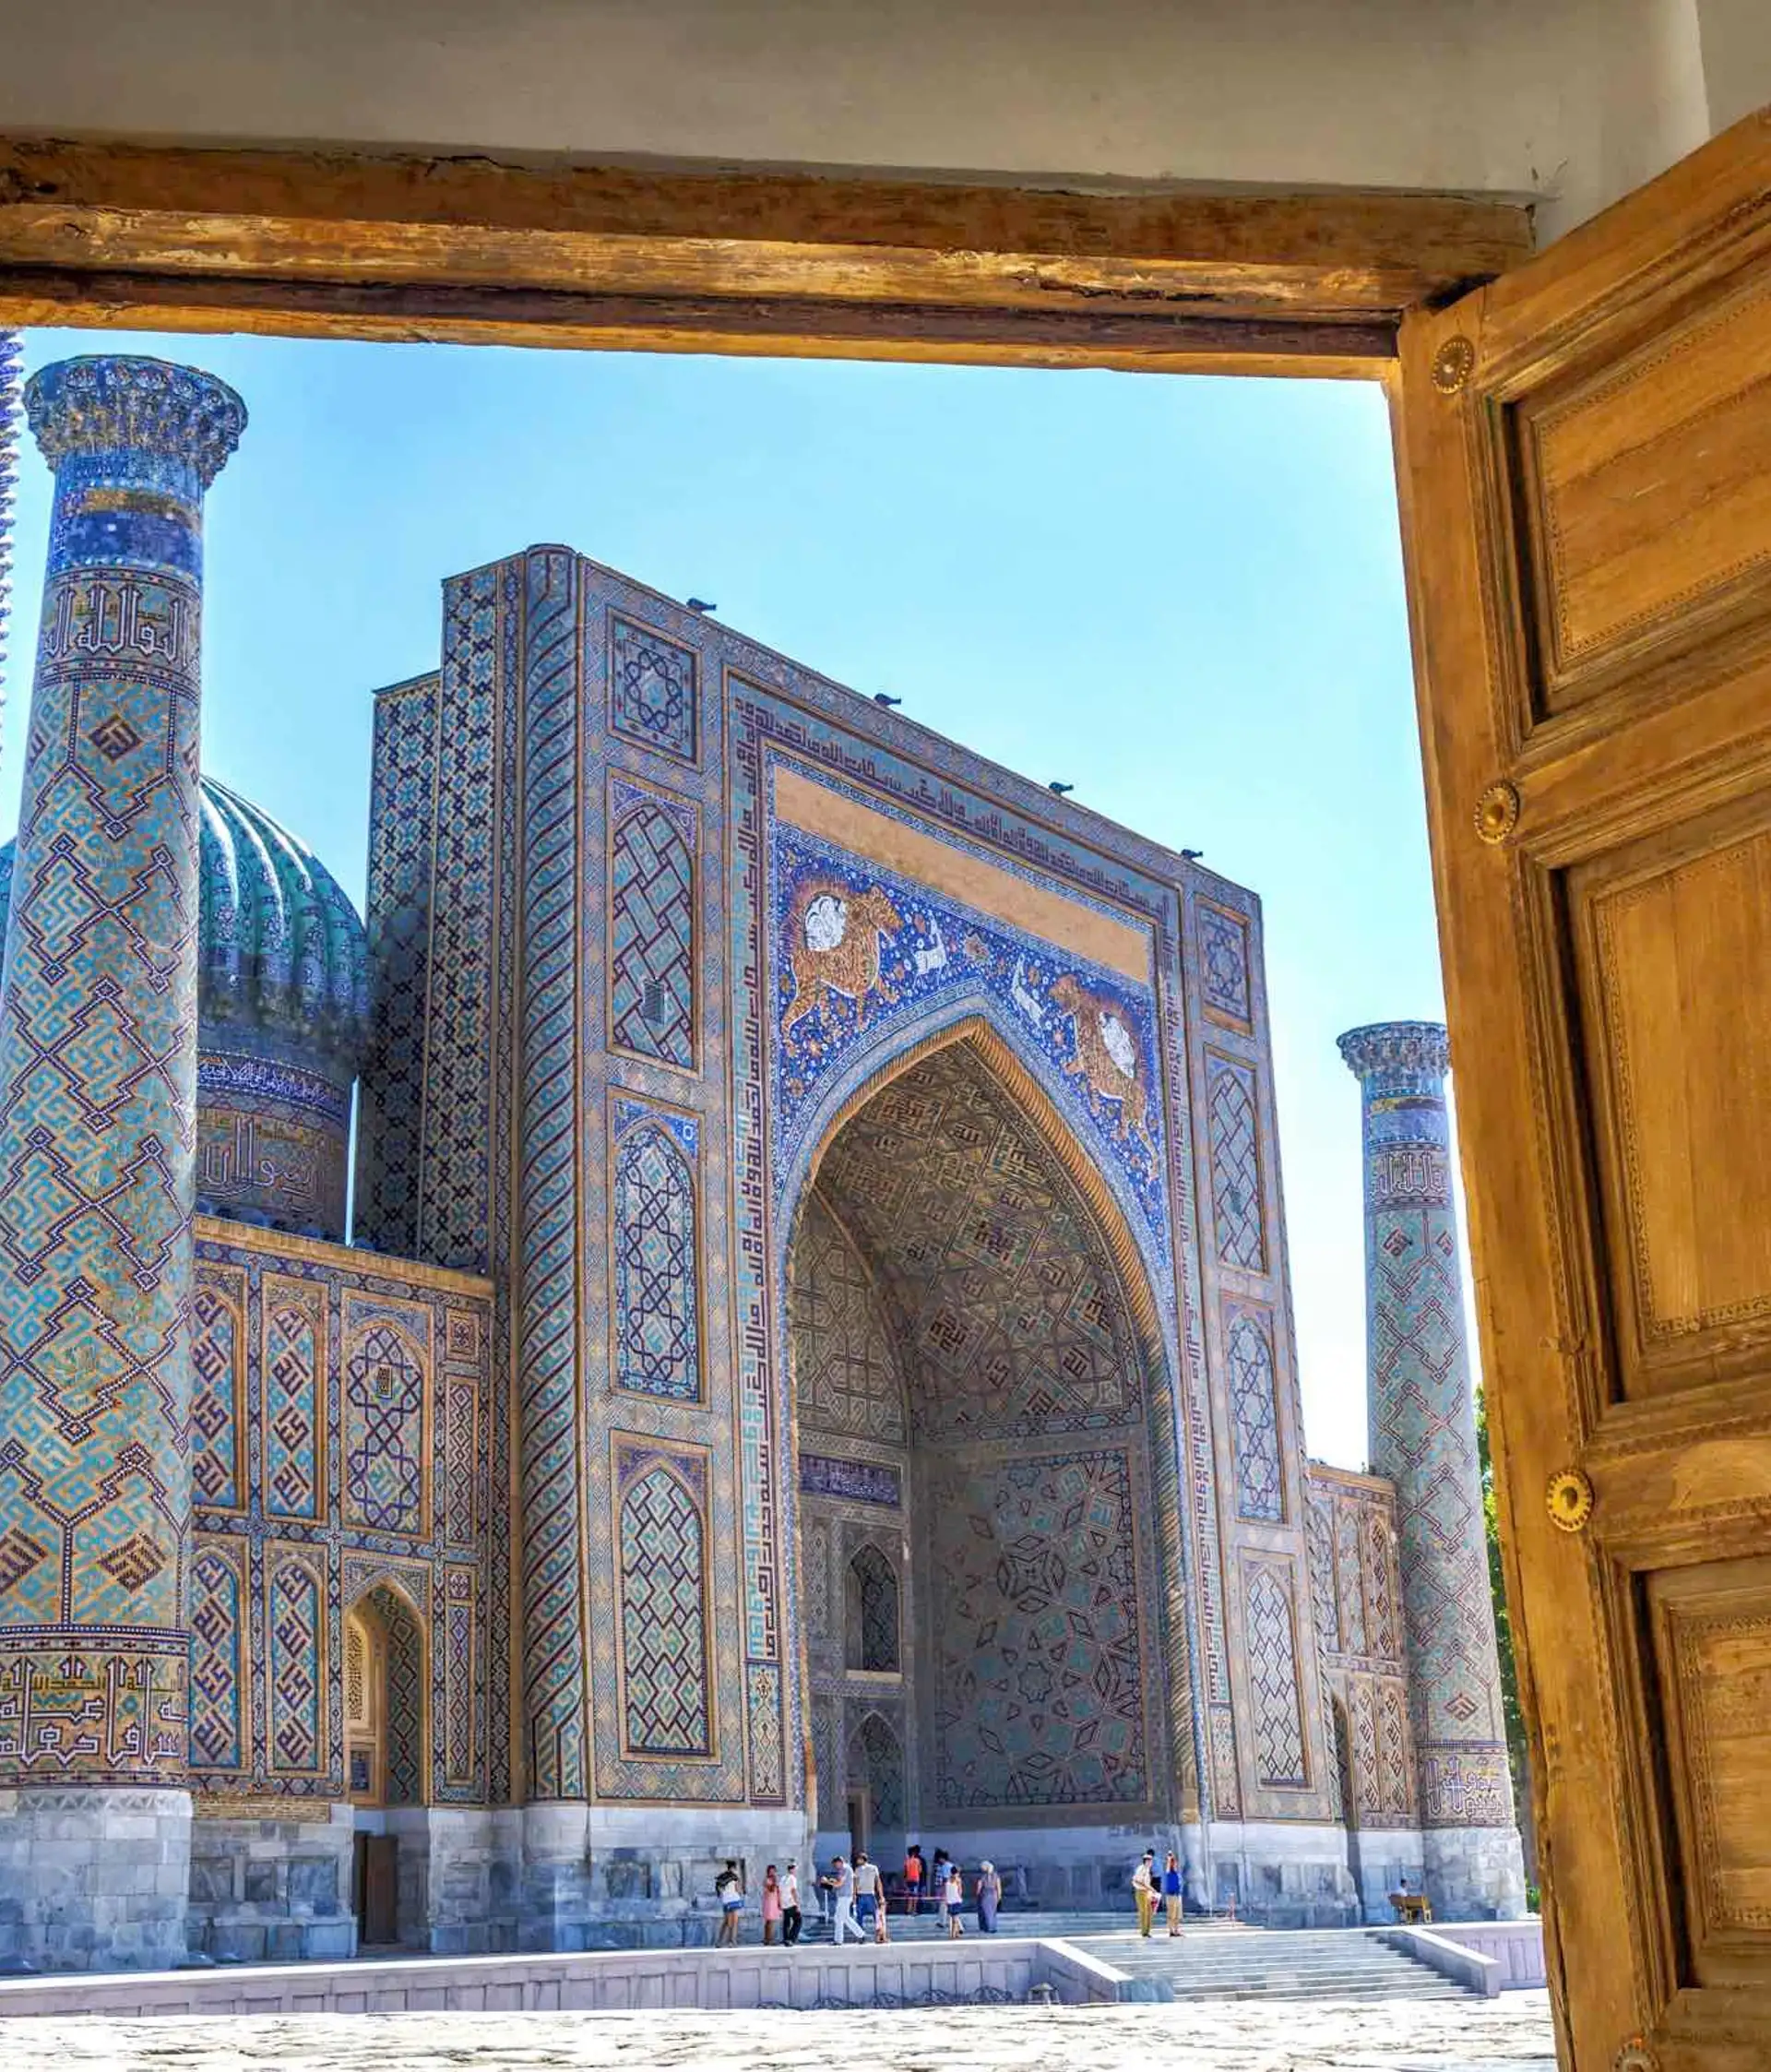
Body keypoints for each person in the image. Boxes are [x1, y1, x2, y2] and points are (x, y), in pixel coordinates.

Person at [852, 1850, 888, 1943]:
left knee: (859, 1917)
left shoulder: (857, 1870)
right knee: (876, 1917)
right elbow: (878, 1882)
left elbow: (855, 1884)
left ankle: (861, 1937)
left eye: (858, 1859)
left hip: (861, 1895)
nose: (857, 1861)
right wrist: (881, 1895)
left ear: (862, 1859)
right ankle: (879, 1937)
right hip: (870, 1894)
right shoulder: (874, 1868)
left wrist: (854, 1896)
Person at [829, 1855, 864, 1946]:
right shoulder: (847, 1868)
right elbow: (841, 1882)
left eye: (835, 1865)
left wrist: (828, 1883)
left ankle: (839, 1940)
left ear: (839, 1862)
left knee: (839, 1918)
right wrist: (834, 1882)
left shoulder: (844, 1869)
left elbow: (840, 1883)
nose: (835, 1867)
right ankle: (860, 1935)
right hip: (845, 1896)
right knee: (844, 1918)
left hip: (844, 1896)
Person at [715, 1860, 743, 1947]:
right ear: (733, 1868)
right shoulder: (735, 1877)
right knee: (734, 1922)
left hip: (726, 1901)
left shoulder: (722, 1876)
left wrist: (724, 1895)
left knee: (726, 1922)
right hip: (734, 1900)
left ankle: (719, 1941)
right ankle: (732, 1941)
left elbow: (719, 1889)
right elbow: (738, 1890)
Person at [1132, 1850, 1156, 1937]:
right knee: (1143, 1912)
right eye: (1150, 1861)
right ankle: (1144, 1932)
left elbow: (1147, 1883)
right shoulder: (1141, 1869)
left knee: (1149, 1911)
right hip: (1141, 1892)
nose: (1151, 1862)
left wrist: (1150, 1889)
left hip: (1147, 1892)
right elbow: (1135, 1880)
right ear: (1146, 1861)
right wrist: (1148, 1888)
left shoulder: (1147, 1869)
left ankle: (1147, 1931)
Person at [975, 1859, 1002, 1934]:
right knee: (993, 1912)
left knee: (986, 1912)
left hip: (985, 1894)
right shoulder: (996, 1875)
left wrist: (977, 1895)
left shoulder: (982, 1876)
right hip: (994, 1894)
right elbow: (999, 1887)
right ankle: (993, 1927)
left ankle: (988, 1927)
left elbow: (979, 1888)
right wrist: (999, 1897)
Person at [1161, 1852, 1184, 1937]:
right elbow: (1168, 1866)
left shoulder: (1177, 1874)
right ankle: (1171, 1931)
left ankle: (1176, 1930)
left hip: (1178, 1895)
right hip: (1171, 1895)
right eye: (1173, 1863)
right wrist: (1169, 1858)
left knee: (1177, 1914)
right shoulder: (1169, 1873)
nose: (1175, 1865)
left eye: (1175, 1863)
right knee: (1171, 1914)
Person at [781, 1860, 803, 1947]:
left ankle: (786, 1939)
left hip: (784, 1903)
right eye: (795, 1869)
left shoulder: (783, 1878)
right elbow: (793, 1891)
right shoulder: (792, 1878)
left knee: (786, 1922)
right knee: (798, 1921)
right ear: (792, 1869)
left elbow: (780, 1891)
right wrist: (797, 1904)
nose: (796, 1871)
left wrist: (780, 1903)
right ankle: (791, 1939)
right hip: (791, 1903)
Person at [943, 1859, 965, 1938]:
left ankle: (955, 1933)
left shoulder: (947, 1880)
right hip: (956, 1900)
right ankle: (953, 1934)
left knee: (953, 1918)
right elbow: (960, 1891)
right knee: (955, 1918)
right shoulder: (958, 1880)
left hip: (949, 1901)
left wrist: (946, 1899)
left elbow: (945, 1891)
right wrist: (960, 1897)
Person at [761, 1864, 782, 1946]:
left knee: (769, 1921)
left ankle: (767, 1939)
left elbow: (778, 1891)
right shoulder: (767, 1880)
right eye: (771, 1871)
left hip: (774, 1901)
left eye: (774, 1871)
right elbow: (771, 1889)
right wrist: (775, 1881)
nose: (773, 1872)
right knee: (770, 1921)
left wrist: (779, 1902)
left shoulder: (774, 1880)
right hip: (769, 1902)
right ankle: (769, 1939)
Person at [903, 1842, 924, 1916]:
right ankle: (914, 1910)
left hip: (908, 1880)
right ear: (914, 1853)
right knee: (914, 1895)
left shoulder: (907, 1861)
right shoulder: (917, 1861)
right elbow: (920, 1870)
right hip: (915, 1879)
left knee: (909, 1895)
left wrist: (905, 1880)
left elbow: (905, 1872)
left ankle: (908, 1909)